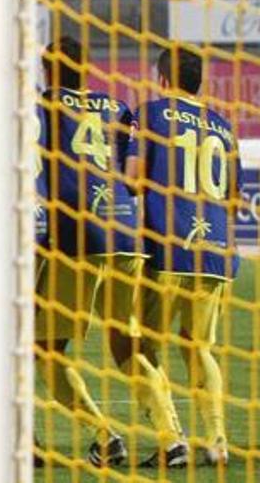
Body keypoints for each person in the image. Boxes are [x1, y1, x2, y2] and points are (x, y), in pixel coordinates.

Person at [38, 35, 186, 467]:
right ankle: (172, 438)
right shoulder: (117, 108)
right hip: (125, 233)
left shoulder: (42, 107)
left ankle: (104, 435)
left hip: (77, 236)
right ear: (87, 71)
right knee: (127, 343)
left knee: (44, 349)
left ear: (48, 73)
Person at [124, 44, 243, 467]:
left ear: (161, 79)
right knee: (199, 348)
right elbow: (232, 198)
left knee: (135, 346)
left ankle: (171, 437)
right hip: (217, 253)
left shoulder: (151, 113)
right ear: (200, 83)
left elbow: (134, 181)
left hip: (168, 249)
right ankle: (217, 440)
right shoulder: (224, 127)